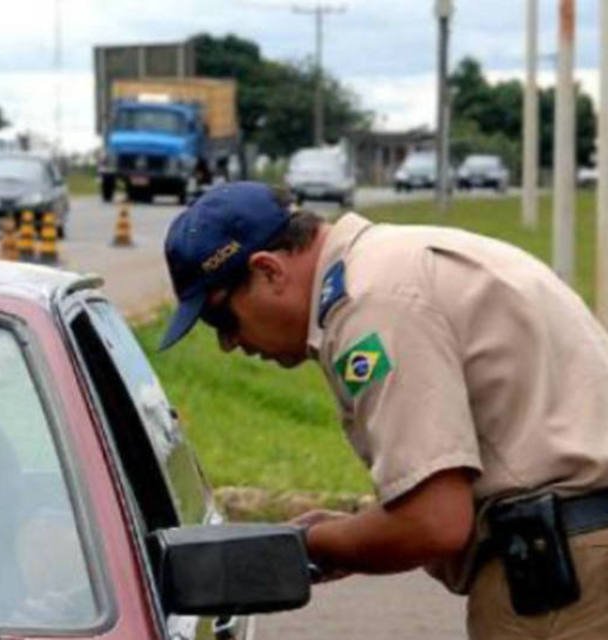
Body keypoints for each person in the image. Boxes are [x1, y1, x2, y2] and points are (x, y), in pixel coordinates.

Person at [159, 181, 608, 639]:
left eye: (221, 317)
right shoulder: (394, 261)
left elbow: (434, 522)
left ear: (270, 271)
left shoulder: (371, 303)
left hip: (565, 581)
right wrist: (356, 533)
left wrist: (310, 545)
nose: (228, 343)